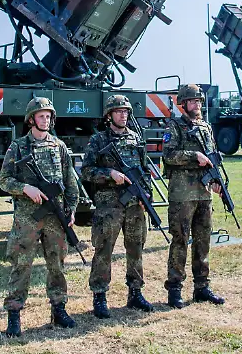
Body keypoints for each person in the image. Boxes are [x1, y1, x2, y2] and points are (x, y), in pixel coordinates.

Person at [0, 97, 80, 337]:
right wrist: (25, 188)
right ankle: (14, 314)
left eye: (48, 116)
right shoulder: (18, 147)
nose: (45, 120)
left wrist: (72, 209)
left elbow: (70, 181)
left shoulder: (59, 146)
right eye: (41, 116)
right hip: (28, 217)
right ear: (31, 119)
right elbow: (4, 180)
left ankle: (59, 309)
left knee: (57, 264)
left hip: (55, 216)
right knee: (22, 265)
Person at [80, 94, 154, 318]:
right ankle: (99, 295)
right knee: (104, 249)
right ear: (109, 115)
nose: (123, 115)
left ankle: (135, 292)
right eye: (119, 111)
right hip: (109, 205)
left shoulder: (135, 138)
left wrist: (147, 194)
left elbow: (145, 170)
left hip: (134, 205)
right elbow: (86, 171)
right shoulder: (99, 140)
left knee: (136, 248)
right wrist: (109, 174)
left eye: (126, 112)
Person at [162, 83, 225, 308]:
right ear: (183, 104)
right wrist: (193, 156)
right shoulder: (174, 127)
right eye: (192, 101)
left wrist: (216, 181)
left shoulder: (206, 127)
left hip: (204, 194)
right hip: (182, 194)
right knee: (180, 240)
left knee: (203, 241)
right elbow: (168, 155)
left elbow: (212, 157)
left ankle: (202, 287)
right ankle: (175, 289)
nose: (196, 104)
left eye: (198, 101)